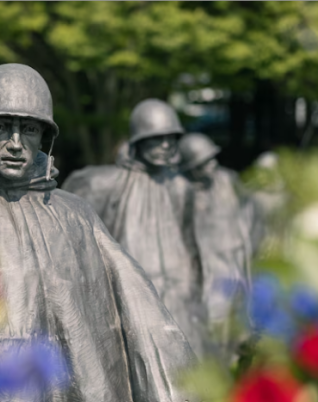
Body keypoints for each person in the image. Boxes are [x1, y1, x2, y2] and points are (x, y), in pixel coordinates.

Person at [0, 64, 198, 402]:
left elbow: (146, 320)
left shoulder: (76, 215)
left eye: (30, 129)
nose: (16, 144)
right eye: (2, 127)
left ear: (44, 138)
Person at [62, 99, 209, 359]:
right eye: (156, 139)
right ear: (138, 141)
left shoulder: (181, 187)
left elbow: (190, 248)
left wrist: (195, 297)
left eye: (170, 138)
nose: (165, 146)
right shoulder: (107, 184)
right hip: (131, 301)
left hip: (179, 299)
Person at [177, 133, 257, 365]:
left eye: (213, 159)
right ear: (190, 168)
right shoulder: (183, 191)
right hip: (207, 266)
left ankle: (232, 368)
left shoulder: (228, 180)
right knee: (213, 319)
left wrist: (245, 239)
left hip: (234, 259)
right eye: (203, 164)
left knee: (238, 322)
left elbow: (248, 209)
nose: (212, 166)